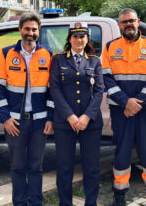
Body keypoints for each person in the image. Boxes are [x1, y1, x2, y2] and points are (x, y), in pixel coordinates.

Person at [101, 8, 146, 206]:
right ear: (119, 25)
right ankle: (119, 196)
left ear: (138, 22)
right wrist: (125, 102)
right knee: (121, 152)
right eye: (124, 22)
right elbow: (106, 78)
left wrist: (136, 103)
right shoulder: (110, 47)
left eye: (131, 21)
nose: (128, 24)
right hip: (121, 111)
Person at [0, 12, 53, 206]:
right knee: (18, 166)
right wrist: (5, 118)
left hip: (39, 122)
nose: (31, 33)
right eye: (27, 29)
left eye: (34, 29)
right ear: (20, 30)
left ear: (38, 31)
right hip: (15, 122)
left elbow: (52, 90)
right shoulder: (7, 53)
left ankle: (36, 202)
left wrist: (50, 118)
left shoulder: (47, 54)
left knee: (36, 166)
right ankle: (19, 202)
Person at [49, 22, 104, 206]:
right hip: (65, 122)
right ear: (69, 39)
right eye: (75, 36)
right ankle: (65, 203)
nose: (79, 40)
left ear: (87, 39)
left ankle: (91, 202)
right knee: (65, 166)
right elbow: (55, 90)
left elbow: (98, 91)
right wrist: (71, 116)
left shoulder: (95, 61)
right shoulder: (58, 60)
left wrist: (87, 116)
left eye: (82, 36)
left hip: (91, 123)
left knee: (91, 166)